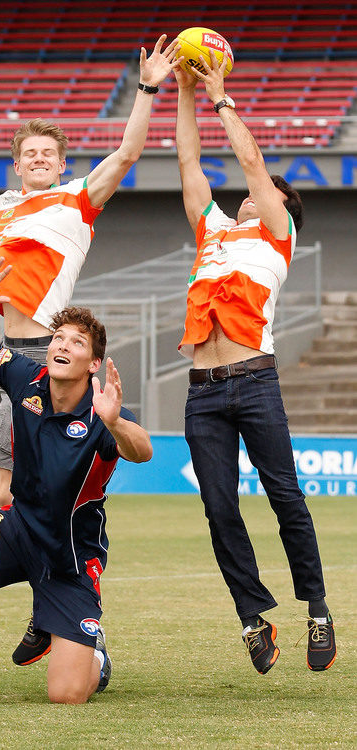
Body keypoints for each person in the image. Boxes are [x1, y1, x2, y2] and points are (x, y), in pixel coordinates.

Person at [0, 34, 179, 511]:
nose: (39, 159)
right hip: (1, 348)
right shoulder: (6, 207)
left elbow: (125, 154)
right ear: (17, 164)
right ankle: (24, 498)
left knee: (1, 489)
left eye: (48, 154)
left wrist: (146, 90)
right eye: (30, 154)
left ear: (62, 164)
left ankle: (18, 507)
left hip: (41, 352)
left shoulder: (78, 200)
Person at [0, 256, 152, 707]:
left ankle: (95, 656)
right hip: (19, 529)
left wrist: (116, 423)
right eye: (59, 338)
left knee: (66, 697)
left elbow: (141, 451)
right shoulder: (25, 375)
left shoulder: (102, 410)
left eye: (77, 342)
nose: (63, 345)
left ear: (94, 362)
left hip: (71, 558)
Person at [174, 49, 336, 674]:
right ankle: (252, 619)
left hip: (255, 381)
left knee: (285, 496)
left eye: (262, 195)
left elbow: (251, 161)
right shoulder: (213, 231)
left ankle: (317, 610)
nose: (246, 197)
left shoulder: (277, 235)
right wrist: (184, 92)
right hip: (203, 389)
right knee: (219, 508)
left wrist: (221, 97)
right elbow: (190, 162)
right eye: (245, 196)